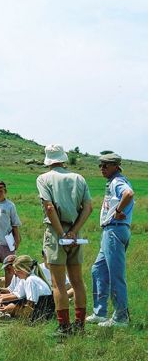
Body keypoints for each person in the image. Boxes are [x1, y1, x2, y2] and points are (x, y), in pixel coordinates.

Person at [36, 144, 93, 336]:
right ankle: (80, 325)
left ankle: (64, 327)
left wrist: (61, 234)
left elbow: (49, 208)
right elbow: (88, 207)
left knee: (58, 283)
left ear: (48, 160)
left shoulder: (43, 179)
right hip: (76, 233)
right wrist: (74, 231)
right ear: (63, 158)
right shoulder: (78, 178)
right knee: (77, 281)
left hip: (56, 232)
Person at [87, 153, 135, 328]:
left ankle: (121, 317)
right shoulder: (113, 181)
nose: (102, 168)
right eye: (100, 165)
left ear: (116, 166)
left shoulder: (117, 181)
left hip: (115, 229)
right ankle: (100, 313)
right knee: (97, 270)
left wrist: (118, 211)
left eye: (106, 165)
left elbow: (128, 194)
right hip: (111, 230)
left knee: (115, 274)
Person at [0, 255, 54, 323]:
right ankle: (8, 314)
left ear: (23, 270)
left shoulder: (30, 280)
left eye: (17, 271)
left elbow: (31, 304)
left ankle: (10, 315)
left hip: (42, 313)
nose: (15, 274)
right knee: (11, 306)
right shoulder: (29, 278)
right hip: (44, 310)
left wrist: (20, 314)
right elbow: (20, 296)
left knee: (12, 307)